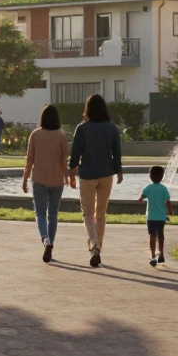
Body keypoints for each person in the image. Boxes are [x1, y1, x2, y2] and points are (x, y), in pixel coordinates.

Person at [68, 94, 122, 268]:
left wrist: (71, 173)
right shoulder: (112, 128)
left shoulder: (82, 128)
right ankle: (99, 247)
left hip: (88, 175)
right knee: (101, 214)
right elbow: (117, 152)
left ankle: (93, 245)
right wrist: (119, 171)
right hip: (107, 174)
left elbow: (76, 153)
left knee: (88, 214)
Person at [22, 104, 71, 263]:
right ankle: (52, 242)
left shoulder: (35, 134)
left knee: (40, 213)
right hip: (57, 180)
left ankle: (45, 240)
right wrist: (68, 177)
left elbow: (29, 160)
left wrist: (24, 179)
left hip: (39, 179)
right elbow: (64, 160)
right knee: (54, 214)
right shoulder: (61, 135)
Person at [140, 165, 173, 266]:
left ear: (150, 176)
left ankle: (153, 255)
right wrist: (170, 211)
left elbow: (142, 197)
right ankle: (161, 253)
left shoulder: (148, 187)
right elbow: (167, 201)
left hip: (151, 217)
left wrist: (140, 199)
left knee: (152, 235)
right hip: (161, 217)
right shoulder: (163, 188)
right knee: (161, 236)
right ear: (162, 176)